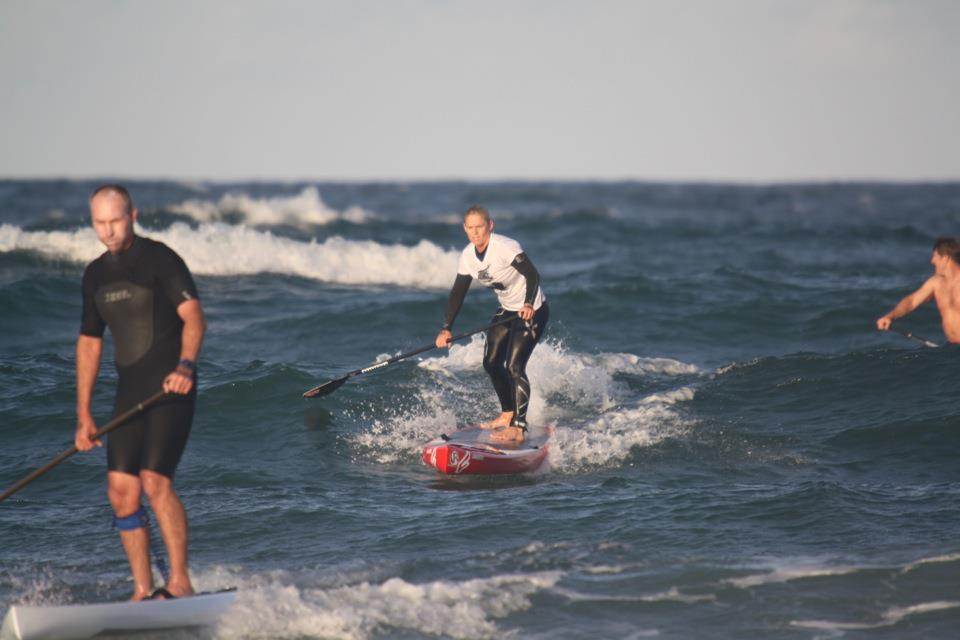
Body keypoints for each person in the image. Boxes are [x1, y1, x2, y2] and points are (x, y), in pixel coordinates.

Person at [75, 184, 206, 600]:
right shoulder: (95, 274)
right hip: (130, 392)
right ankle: (142, 590)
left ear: (132, 216)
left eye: (115, 221)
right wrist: (84, 414)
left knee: (154, 481)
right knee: (121, 491)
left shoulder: (160, 259)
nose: (108, 230)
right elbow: (89, 343)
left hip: (171, 387)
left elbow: (194, 317)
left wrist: (185, 366)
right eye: (99, 223)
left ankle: (180, 584)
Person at [435, 206, 549, 444]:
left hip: (533, 311)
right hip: (507, 310)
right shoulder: (468, 256)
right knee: (491, 362)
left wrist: (528, 303)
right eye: (470, 228)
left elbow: (532, 275)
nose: (475, 232)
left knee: (514, 367)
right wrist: (446, 328)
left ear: (490, 225)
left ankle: (519, 427)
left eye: (479, 227)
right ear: (464, 229)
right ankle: (508, 413)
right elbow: (458, 293)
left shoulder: (505, 247)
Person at [876, 237, 960, 343]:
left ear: (945, 258)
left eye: (935, 256)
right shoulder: (936, 282)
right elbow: (911, 301)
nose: (932, 261)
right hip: (952, 348)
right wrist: (890, 316)